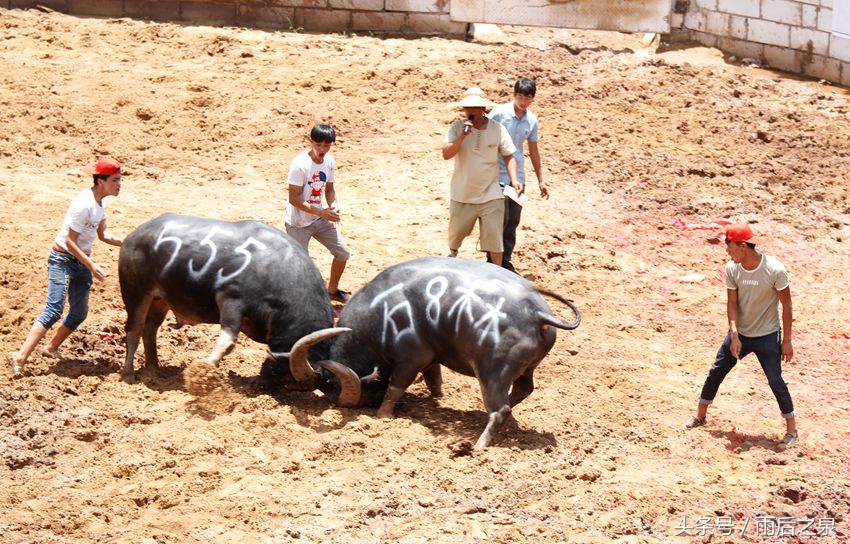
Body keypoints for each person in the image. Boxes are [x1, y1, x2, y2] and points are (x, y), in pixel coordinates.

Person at [684, 223, 798, 450]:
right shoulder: (732, 269)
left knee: (776, 381)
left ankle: (792, 431)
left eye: (730, 247)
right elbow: (732, 303)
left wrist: (786, 340)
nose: (727, 251)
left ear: (743, 246)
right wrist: (734, 333)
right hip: (741, 334)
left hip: (767, 335)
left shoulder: (774, 269)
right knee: (716, 371)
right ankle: (700, 416)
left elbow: (787, 304)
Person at [9, 157, 124, 377]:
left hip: (80, 262)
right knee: (53, 310)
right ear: (101, 181)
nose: (119, 185)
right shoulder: (84, 204)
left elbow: (103, 234)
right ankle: (20, 356)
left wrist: (126, 242)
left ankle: (51, 348)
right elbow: (70, 241)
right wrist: (91, 264)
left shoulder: (100, 204)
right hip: (62, 260)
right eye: (115, 180)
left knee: (79, 312)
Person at [442, 87, 520, 266]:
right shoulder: (456, 128)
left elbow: (509, 155)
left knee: (495, 240)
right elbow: (446, 154)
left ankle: (498, 274)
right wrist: (462, 136)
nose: (470, 111)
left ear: (483, 109)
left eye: (475, 107)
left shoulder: (497, 129)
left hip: (490, 194)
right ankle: (447, 266)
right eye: (467, 108)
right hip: (462, 194)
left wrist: (514, 179)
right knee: (454, 239)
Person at [487, 78, 549, 273]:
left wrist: (541, 179)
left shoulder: (531, 120)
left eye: (527, 98)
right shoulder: (499, 113)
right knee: (499, 218)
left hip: (518, 177)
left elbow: (533, 149)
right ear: (514, 95)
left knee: (513, 220)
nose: (523, 101)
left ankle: (505, 259)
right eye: (520, 97)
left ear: (532, 99)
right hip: (496, 173)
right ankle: (492, 260)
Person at [285, 123, 352, 303]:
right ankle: (298, 302)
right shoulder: (300, 165)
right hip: (298, 223)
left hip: (319, 217)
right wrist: (322, 213)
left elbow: (329, 188)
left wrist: (334, 205)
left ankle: (332, 291)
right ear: (311, 142)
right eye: (319, 145)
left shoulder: (329, 162)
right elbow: (294, 198)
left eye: (327, 145)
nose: (322, 149)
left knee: (342, 253)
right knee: (301, 267)